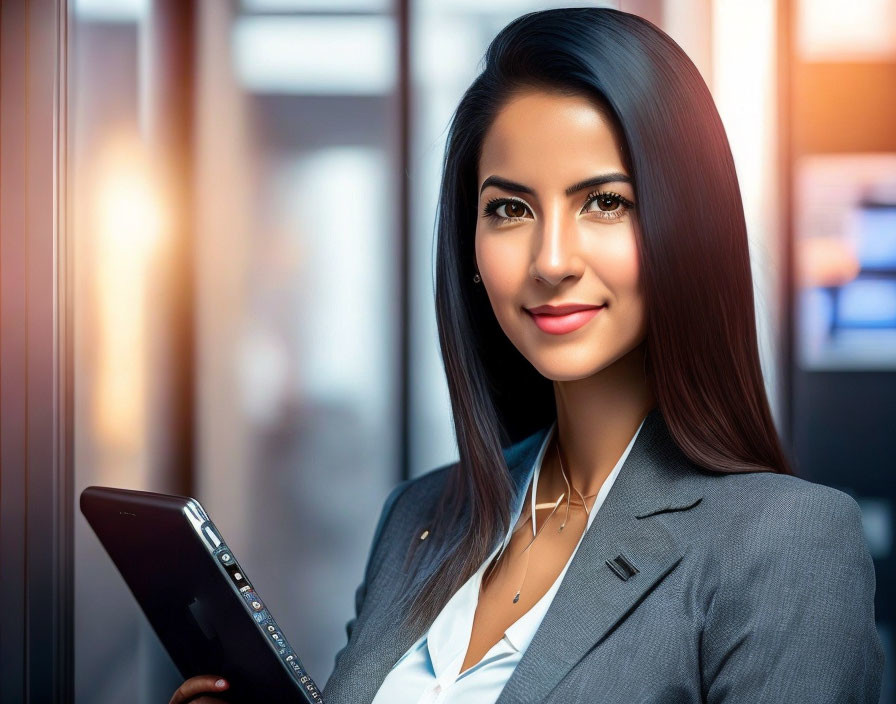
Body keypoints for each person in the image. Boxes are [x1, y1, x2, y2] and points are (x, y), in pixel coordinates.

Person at [169, 7, 884, 704]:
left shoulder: (787, 541)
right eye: (510, 209)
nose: (550, 260)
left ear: (684, 225)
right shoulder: (421, 519)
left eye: (604, 202)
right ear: (470, 249)